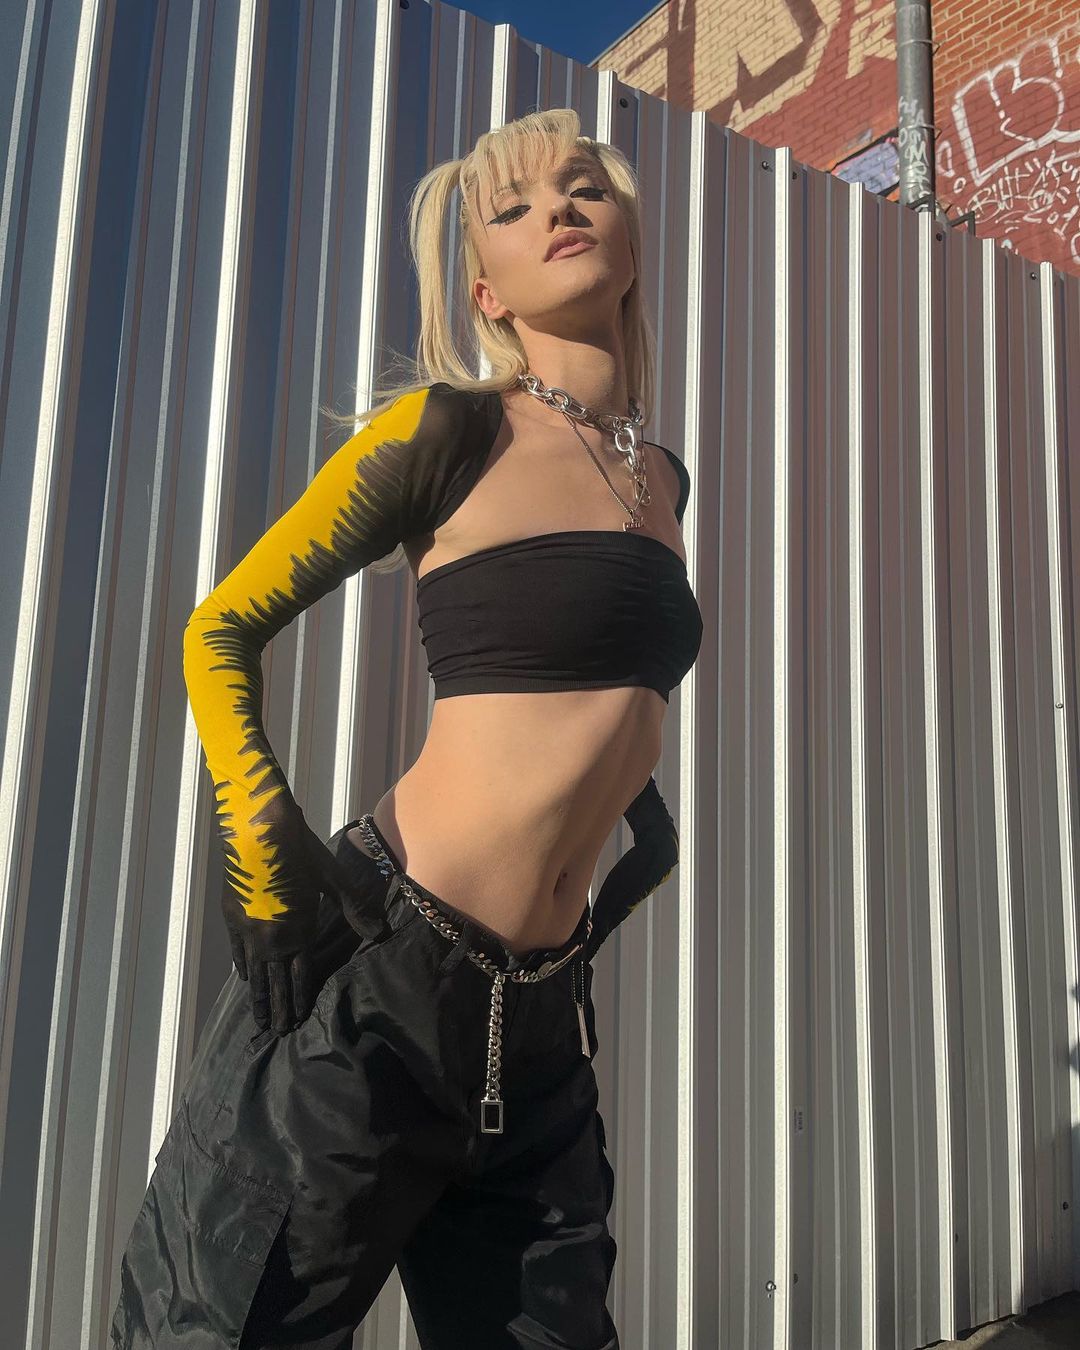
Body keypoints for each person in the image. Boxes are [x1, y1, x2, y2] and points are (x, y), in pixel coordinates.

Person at [109, 107, 703, 1350]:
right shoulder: (446, 431)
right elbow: (219, 631)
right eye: (516, 206)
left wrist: (632, 822)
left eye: (584, 186)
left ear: (632, 243)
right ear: (487, 291)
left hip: (539, 1021)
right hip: (380, 982)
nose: (559, 208)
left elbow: (600, 688)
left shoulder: (662, 479)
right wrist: (263, 855)